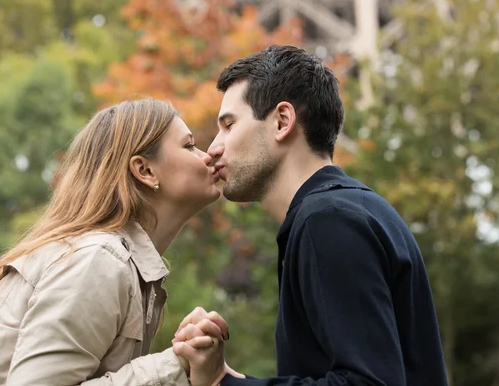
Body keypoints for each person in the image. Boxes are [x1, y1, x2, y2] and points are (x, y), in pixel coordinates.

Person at [172, 45, 449, 385]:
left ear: (282, 121)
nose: (214, 146)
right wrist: (228, 376)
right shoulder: (352, 209)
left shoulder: (328, 221)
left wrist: (222, 383)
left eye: (229, 125)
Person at [0, 99, 229, 386]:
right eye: (189, 145)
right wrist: (175, 365)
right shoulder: (97, 260)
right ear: (145, 171)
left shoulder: (118, 264)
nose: (207, 155)